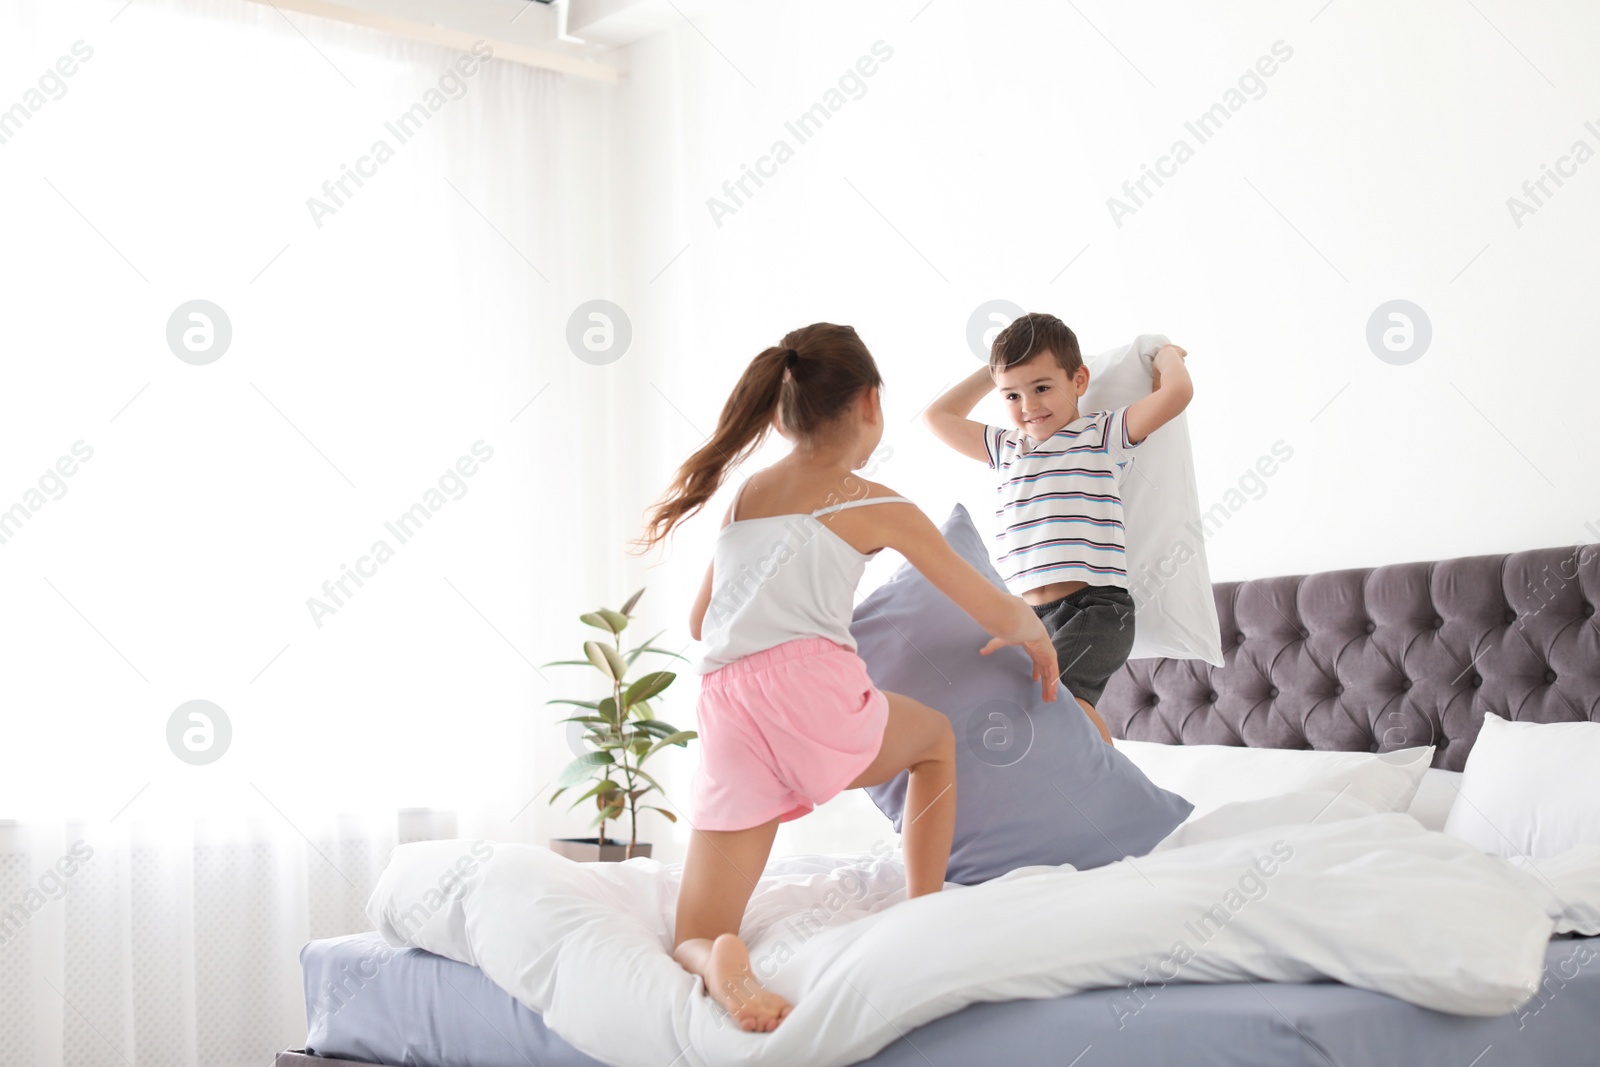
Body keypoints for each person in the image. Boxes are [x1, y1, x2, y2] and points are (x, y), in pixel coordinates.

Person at [638, 322, 1058, 1032]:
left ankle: (718, 964)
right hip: (812, 691)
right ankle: (921, 910)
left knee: (693, 931)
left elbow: (700, 621)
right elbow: (994, 608)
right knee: (932, 740)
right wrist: (1039, 635)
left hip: (725, 707)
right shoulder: (875, 502)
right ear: (870, 403)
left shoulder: (745, 497)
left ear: (780, 411)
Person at [923, 312, 1193, 742]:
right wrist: (993, 368)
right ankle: (1068, 798)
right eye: (1011, 395)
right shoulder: (1007, 448)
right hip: (1030, 620)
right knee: (1022, 711)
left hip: (1095, 609)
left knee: (1060, 702)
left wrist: (1164, 354)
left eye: (1043, 388)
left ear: (1079, 381)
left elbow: (1177, 393)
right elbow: (937, 415)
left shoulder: (1100, 434)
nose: (1029, 406)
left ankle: (1114, 796)